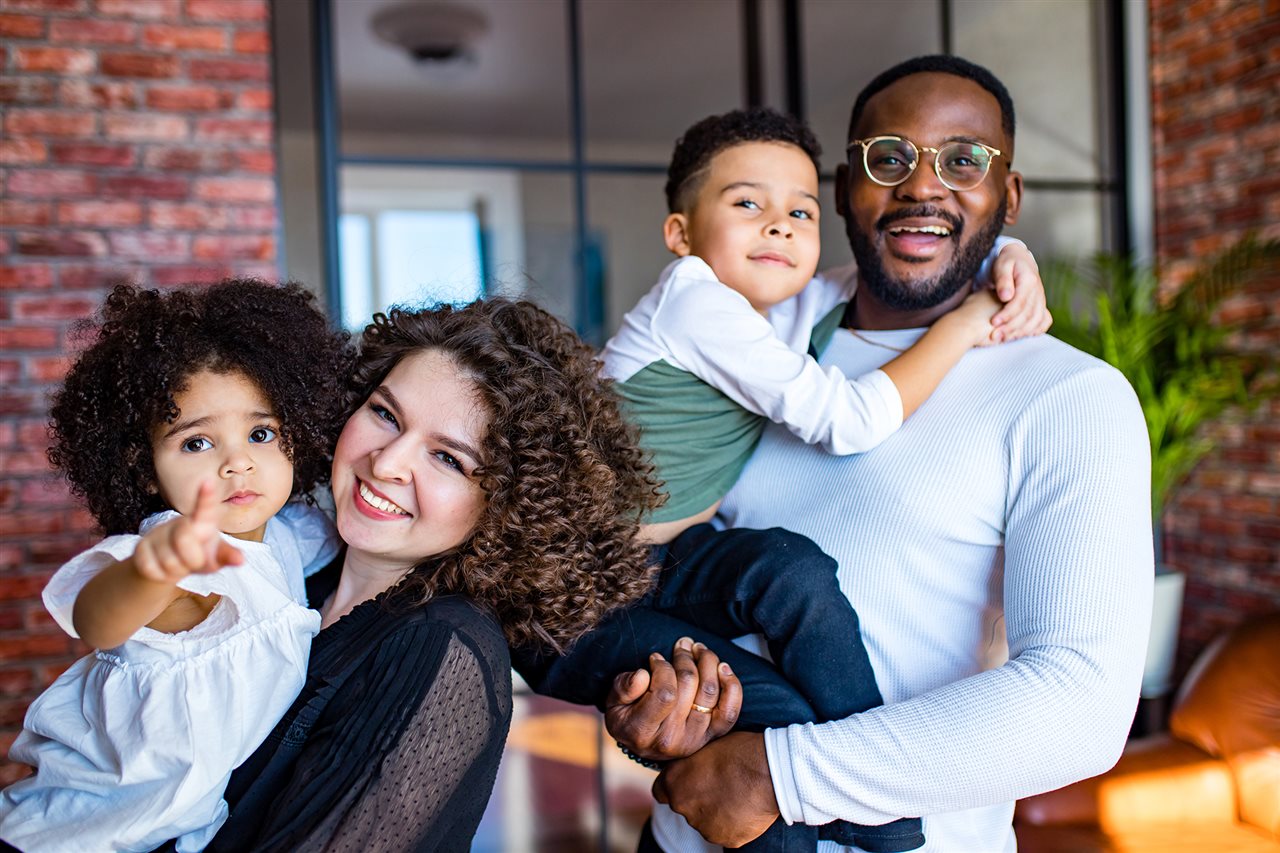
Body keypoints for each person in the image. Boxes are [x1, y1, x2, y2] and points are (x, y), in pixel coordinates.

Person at [605, 55, 1153, 853]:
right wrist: (650, 708)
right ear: (840, 191)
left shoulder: (1068, 396)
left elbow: (1083, 703)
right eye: (888, 158)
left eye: (964, 161)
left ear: (1011, 193)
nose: (922, 187)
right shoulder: (765, 335)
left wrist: (780, 773)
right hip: (680, 832)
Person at [516, 107, 1049, 851]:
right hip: (568, 598)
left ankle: (872, 797)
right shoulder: (695, 300)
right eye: (747, 204)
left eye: (800, 211)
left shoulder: (778, 315)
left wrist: (1006, 251)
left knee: (791, 569)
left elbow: (913, 260)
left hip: (657, 562)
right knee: (764, 719)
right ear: (681, 235)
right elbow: (851, 419)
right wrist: (961, 327)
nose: (779, 226)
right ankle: (877, 813)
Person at [198, 297, 661, 851]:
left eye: (448, 459)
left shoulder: (439, 647)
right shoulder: (288, 573)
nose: (387, 463)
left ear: (510, 506)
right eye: (385, 415)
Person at [0, 280, 352, 853]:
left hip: (166, 832)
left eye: (261, 434)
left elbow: (356, 539)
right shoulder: (174, 552)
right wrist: (153, 571)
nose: (238, 462)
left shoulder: (292, 535)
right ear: (145, 470)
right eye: (196, 444)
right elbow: (97, 620)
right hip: (71, 836)